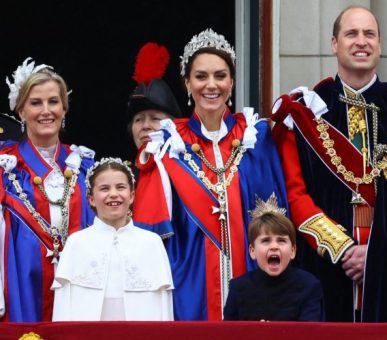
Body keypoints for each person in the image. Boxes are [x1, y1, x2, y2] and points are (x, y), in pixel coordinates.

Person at [270, 6, 387, 322]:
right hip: (325, 269)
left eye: (369, 34)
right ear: (334, 43)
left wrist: (377, 254)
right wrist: (343, 250)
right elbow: (295, 195)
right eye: (351, 34)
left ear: (380, 44)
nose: (361, 42)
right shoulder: (306, 111)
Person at [132, 28, 289, 321]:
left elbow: (278, 222)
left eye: (220, 75)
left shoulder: (257, 136)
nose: (211, 85)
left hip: (254, 282)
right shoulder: (167, 145)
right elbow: (149, 239)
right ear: (187, 83)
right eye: (201, 76)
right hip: (189, 288)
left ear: (232, 81)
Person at [0, 58, 95, 322]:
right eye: (35, 103)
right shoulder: (4, 167)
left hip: (81, 287)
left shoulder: (86, 167)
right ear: (20, 111)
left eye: (53, 101)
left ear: (64, 108)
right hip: (21, 287)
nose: (46, 110)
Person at [52, 158, 173, 321]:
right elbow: (63, 307)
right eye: (104, 188)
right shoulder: (77, 243)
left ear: (131, 196)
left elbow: (164, 308)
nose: (113, 194)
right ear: (91, 199)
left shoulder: (152, 243)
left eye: (120, 187)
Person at [223, 194, 324, 321]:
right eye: (266, 240)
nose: (274, 246)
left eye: (281, 240)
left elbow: (311, 333)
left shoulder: (309, 286)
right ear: (252, 251)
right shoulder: (238, 288)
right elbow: (228, 333)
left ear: (293, 251)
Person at [127, 42, 182, 151]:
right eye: (138, 120)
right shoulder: (120, 168)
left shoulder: (192, 166)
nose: (145, 126)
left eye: (156, 118)